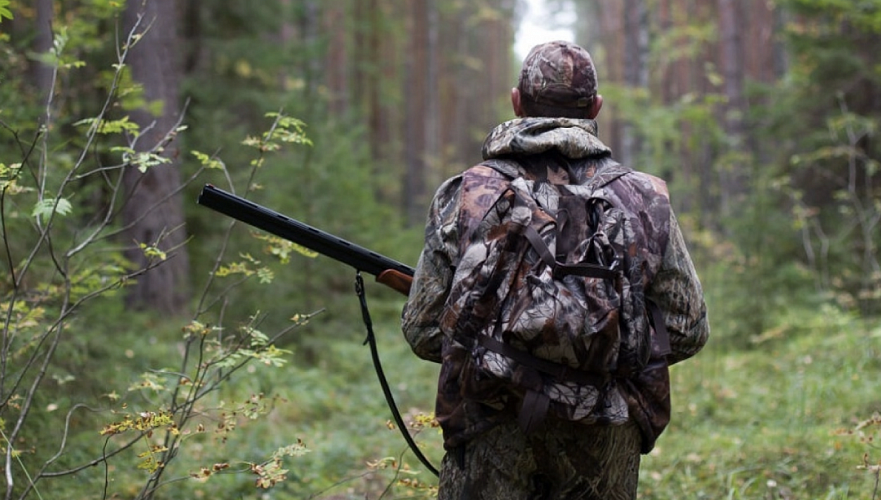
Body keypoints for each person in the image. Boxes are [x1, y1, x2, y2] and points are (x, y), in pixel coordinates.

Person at [401, 40, 709, 500]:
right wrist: (602, 356)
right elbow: (688, 328)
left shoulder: (467, 193)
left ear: (517, 102)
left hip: (490, 425)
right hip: (606, 431)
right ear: (595, 107)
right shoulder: (645, 197)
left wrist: (504, 353)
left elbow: (424, 330)